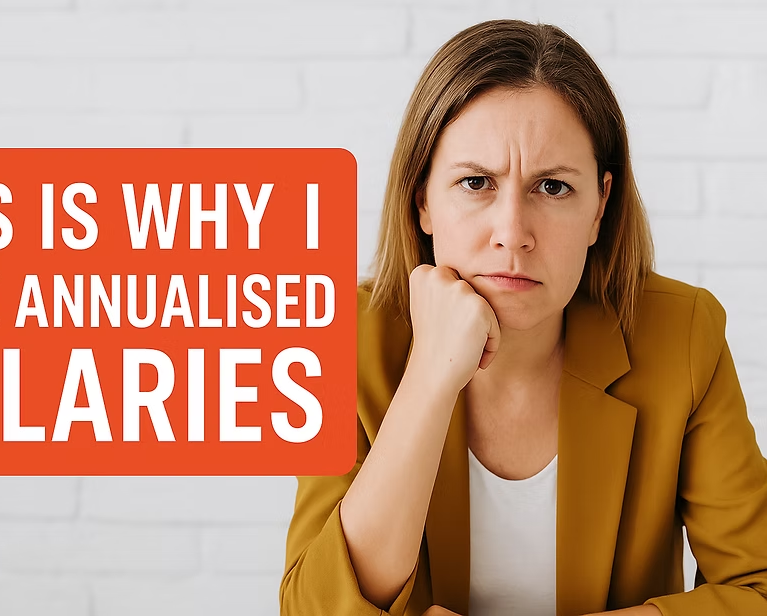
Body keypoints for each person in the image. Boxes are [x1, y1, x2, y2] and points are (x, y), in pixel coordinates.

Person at [278, 18, 767, 616]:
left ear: (599, 207)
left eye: (554, 188)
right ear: (423, 199)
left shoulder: (681, 337)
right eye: (476, 182)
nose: (512, 234)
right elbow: (314, 610)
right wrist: (430, 376)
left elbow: (758, 587)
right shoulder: (348, 341)